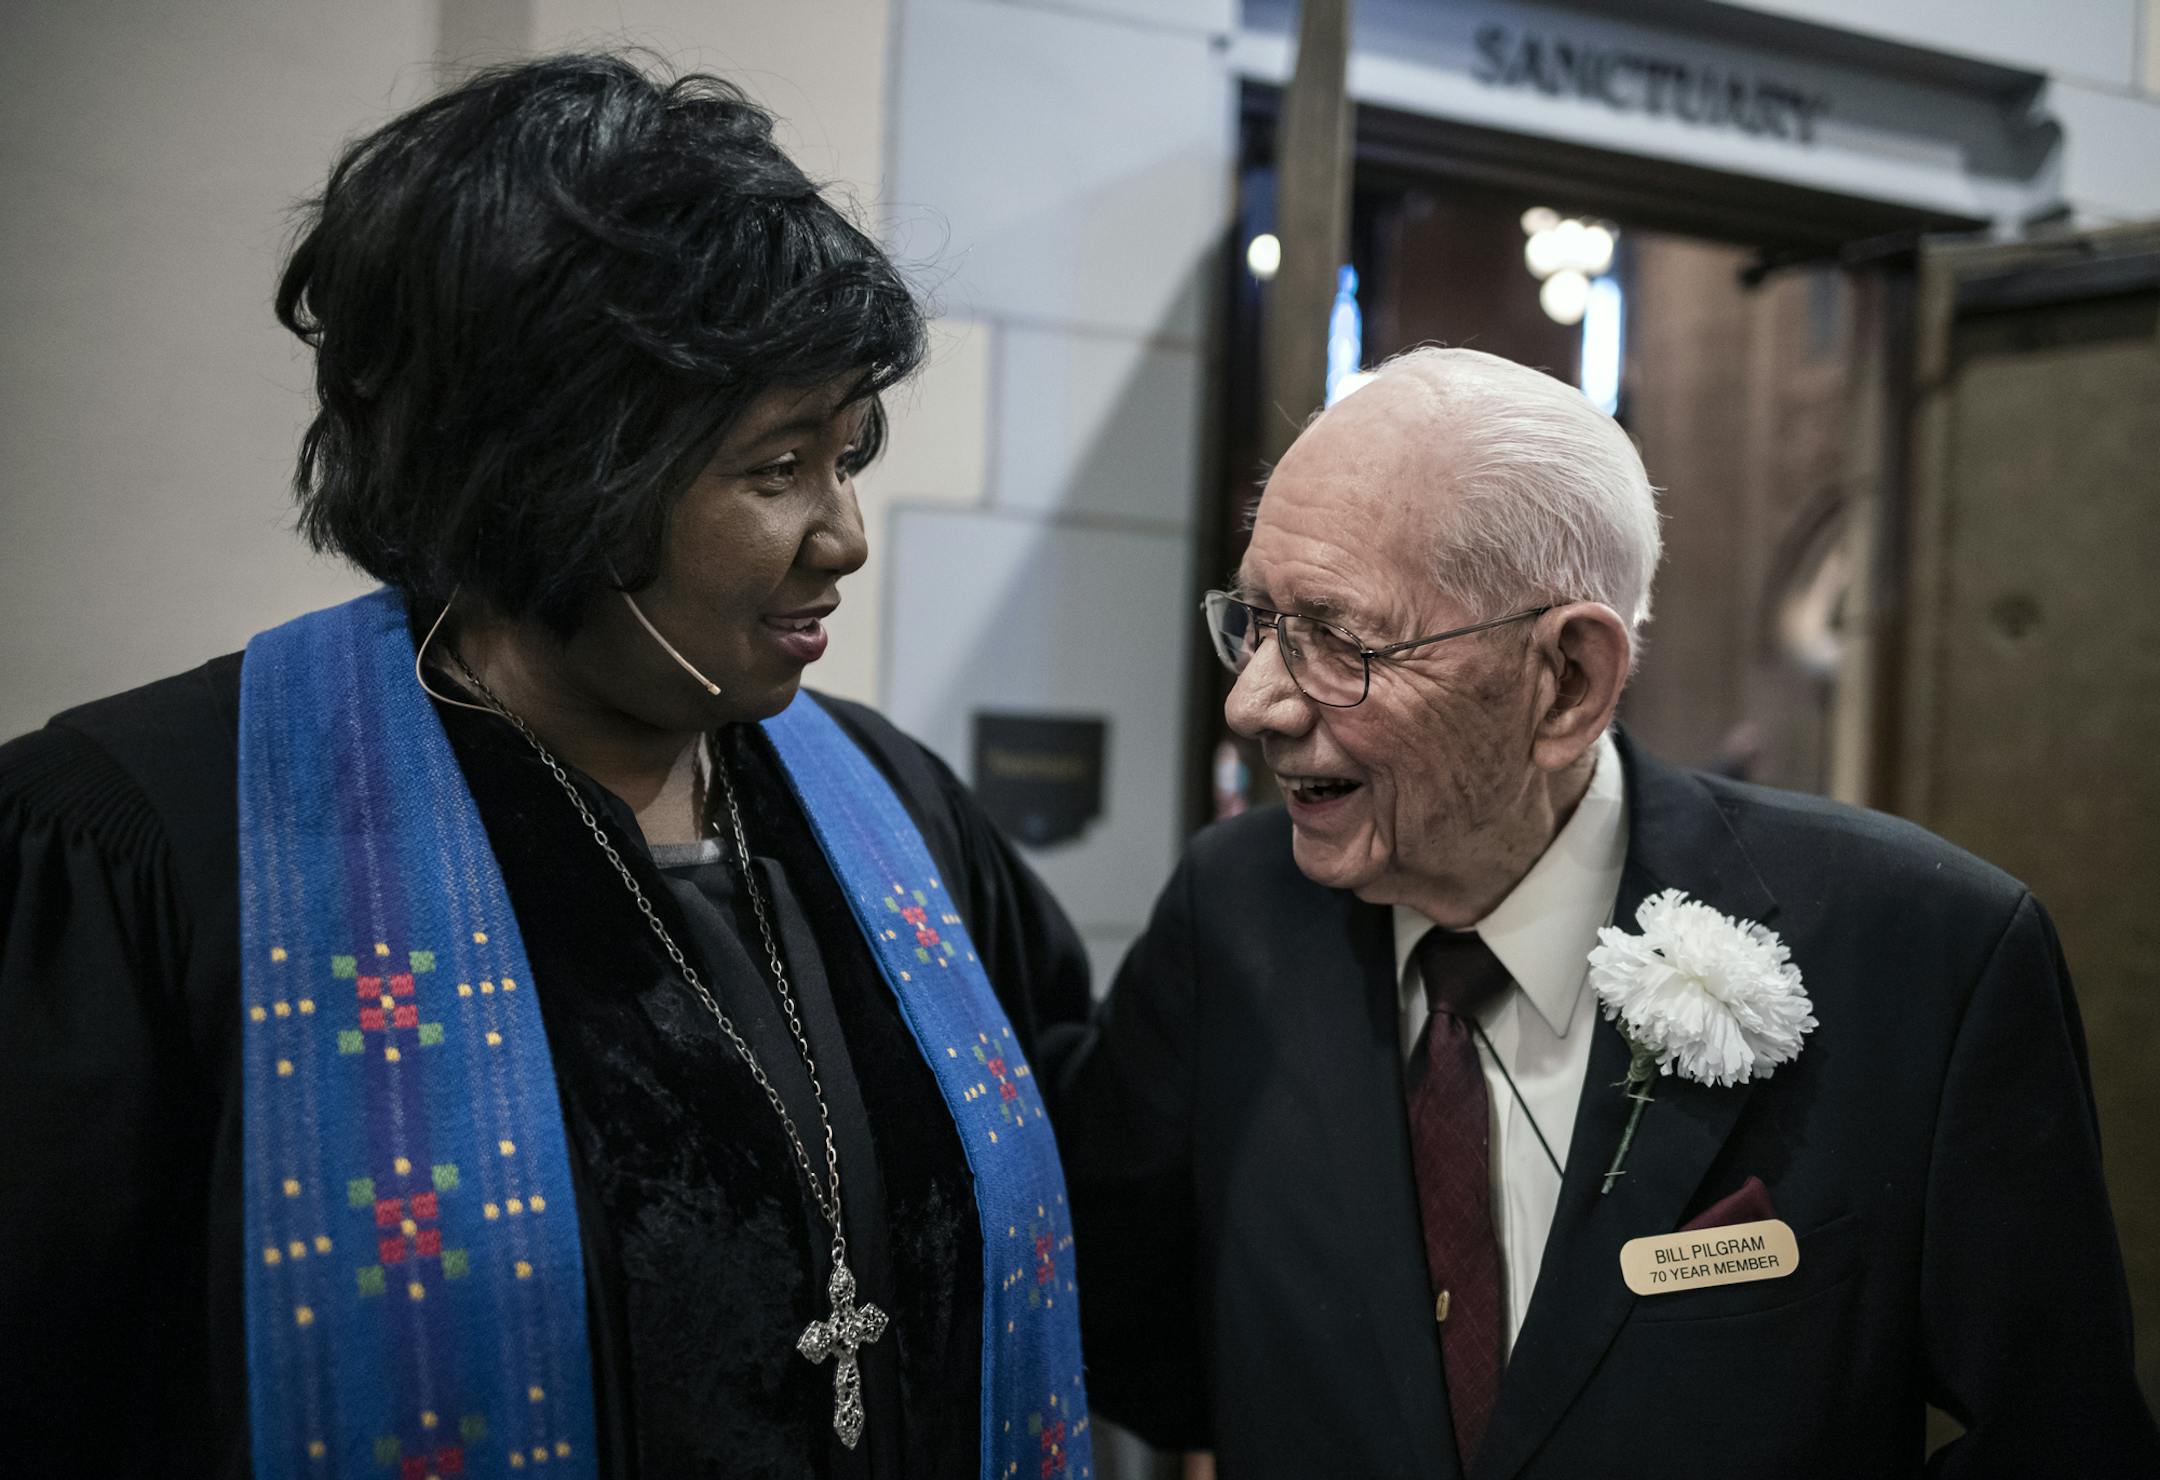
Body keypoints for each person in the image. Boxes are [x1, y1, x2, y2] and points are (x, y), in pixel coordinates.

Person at [0, 56, 1096, 1479]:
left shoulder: (892, 810)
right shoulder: (150, 857)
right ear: (558, 475)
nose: (845, 537)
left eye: (847, 456)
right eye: (777, 468)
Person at [1054, 347, 2158, 1478]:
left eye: (1337, 638)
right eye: (1257, 618)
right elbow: (1127, 1336)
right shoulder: (1232, 915)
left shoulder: (1924, 952)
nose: (1255, 703)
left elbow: (2060, 1440)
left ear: (1570, 681)